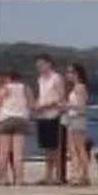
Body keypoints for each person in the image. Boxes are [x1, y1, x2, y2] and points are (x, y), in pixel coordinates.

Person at [33, 53, 66, 184]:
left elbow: (61, 97)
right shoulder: (40, 79)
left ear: (49, 64)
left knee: (55, 147)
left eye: (41, 65)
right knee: (47, 147)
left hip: (54, 115)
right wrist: (36, 106)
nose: (39, 67)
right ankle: (48, 175)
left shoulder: (56, 78)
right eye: (38, 65)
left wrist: (47, 105)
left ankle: (58, 175)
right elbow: (40, 95)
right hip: (42, 115)